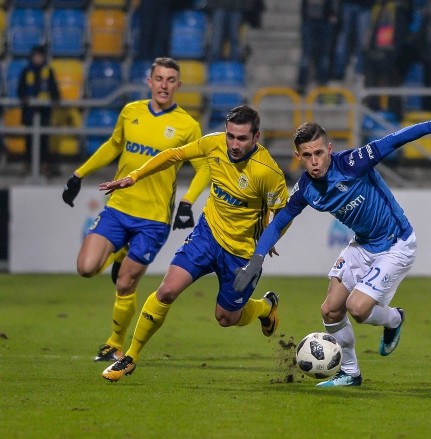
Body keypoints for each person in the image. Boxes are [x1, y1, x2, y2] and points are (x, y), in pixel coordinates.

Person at [233, 101, 431, 387]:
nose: (315, 161)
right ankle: (350, 373)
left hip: (396, 243)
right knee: (331, 310)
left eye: (319, 153)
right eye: (307, 155)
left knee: (357, 309)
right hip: (362, 244)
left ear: (330, 149)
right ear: (298, 157)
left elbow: (394, 139)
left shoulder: (353, 163)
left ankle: (394, 319)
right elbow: (279, 221)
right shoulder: (306, 190)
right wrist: (257, 258)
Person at [98, 105, 290, 382]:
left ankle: (265, 307)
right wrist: (134, 176)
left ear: (256, 137)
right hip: (206, 235)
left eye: (242, 138)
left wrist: (269, 239)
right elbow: (173, 155)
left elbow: (283, 214)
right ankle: (131, 356)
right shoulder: (213, 144)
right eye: (230, 136)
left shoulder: (267, 171)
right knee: (166, 291)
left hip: (241, 253)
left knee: (226, 318)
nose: (234, 144)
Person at [60, 57, 210, 365]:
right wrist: (79, 174)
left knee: (126, 282)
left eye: (171, 80)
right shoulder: (131, 112)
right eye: (159, 78)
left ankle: (114, 343)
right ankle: (118, 253)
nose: (164, 85)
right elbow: (114, 146)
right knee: (86, 268)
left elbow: (204, 168)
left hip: (153, 219)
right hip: (118, 207)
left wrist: (187, 202)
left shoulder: (187, 126)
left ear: (178, 85)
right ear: (150, 82)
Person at [17, 44, 60, 177]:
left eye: (40, 56)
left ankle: (44, 166)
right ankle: (28, 165)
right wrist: (24, 98)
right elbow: (20, 89)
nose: (37, 58)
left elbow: (54, 90)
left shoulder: (48, 71)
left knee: (44, 141)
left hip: (44, 113)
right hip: (30, 114)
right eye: (35, 56)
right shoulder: (26, 71)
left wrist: (55, 98)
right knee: (29, 141)